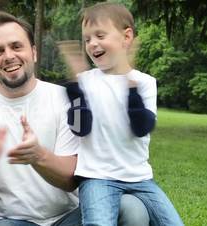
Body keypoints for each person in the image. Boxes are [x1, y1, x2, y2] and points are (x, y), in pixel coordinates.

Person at [0, 11, 149, 226]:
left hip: (70, 218)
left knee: (131, 209)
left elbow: (71, 178)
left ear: (34, 52)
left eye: (16, 46)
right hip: (12, 221)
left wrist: (38, 156)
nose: (8, 56)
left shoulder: (65, 99)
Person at [61, 2, 183, 226]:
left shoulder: (145, 83)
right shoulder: (85, 82)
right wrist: (76, 93)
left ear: (126, 37)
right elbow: (80, 127)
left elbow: (141, 128)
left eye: (100, 35)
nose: (92, 44)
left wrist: (131, 90)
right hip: (98, 178)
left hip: (140, 178)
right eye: (87, 39)